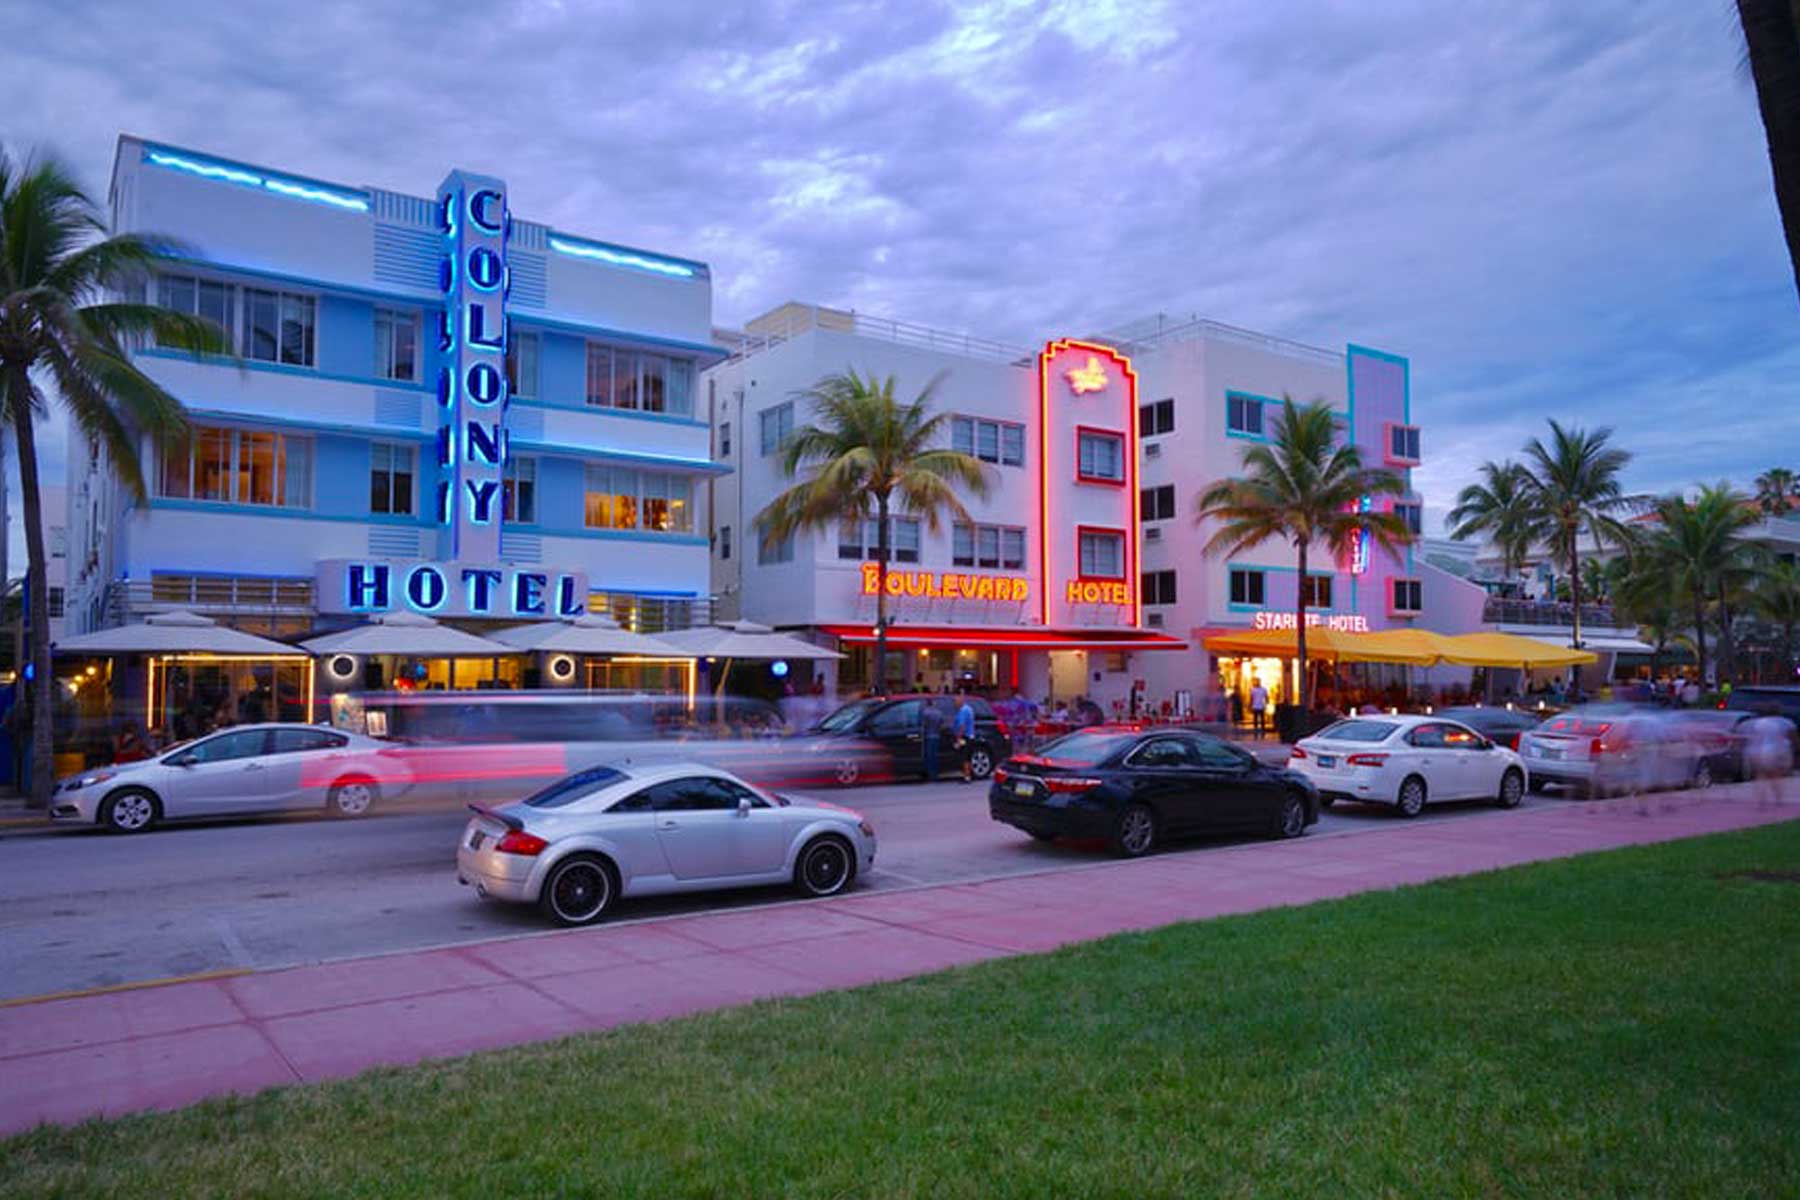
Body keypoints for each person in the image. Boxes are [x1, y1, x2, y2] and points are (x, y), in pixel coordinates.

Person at [1743, 704, 1795, 808]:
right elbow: (1793, 737)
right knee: (1775, 775)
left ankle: (1761, 801)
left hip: (1755, 750)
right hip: (1774, 750)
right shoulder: (1785, 722)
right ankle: (1778, 799)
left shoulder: (1757, 723)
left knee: (1760, 775)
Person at [953, 690, 978, 782]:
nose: (954, 704)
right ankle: (970, 774)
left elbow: (962, 726)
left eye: (955, 702)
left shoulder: (962, 711)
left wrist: (958, 738)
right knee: (969, 756)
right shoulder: (969, 709)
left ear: (960, 701)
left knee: (964, 757)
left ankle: (967, 776)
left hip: (965, 737)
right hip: (970, 735)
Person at [919, 695, 945, 782]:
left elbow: (923, 725)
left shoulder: (925, 712)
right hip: (937, 736)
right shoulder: (939, 712)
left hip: (928, 736)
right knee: (935, 756)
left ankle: (929, 774)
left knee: (929, 756)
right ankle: (935, 774)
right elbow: (942, 724)